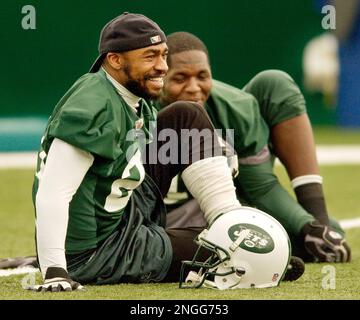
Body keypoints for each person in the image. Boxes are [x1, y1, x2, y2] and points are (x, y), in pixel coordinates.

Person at [29, 12, 295, 292]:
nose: (162, 67)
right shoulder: (93, 106)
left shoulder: (127, 96)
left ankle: (228, 219)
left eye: (163, 55)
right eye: (150, 56)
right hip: (96, 250)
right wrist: (55, 269)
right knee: (231, 254)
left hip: (122, 212)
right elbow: (52, 192)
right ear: (115, 60)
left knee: (186, 115)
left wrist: (210, 151)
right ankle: (233, 240)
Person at [157, 31, 351, 263]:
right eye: (180, 79)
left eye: (202, 76)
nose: (194, 88)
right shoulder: (140, 110)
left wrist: (313, 226)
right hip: (156, 221)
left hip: (218, 209)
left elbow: (261, 187)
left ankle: (317, 226)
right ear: (160, 78)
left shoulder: (233, 108)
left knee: (328, 232)